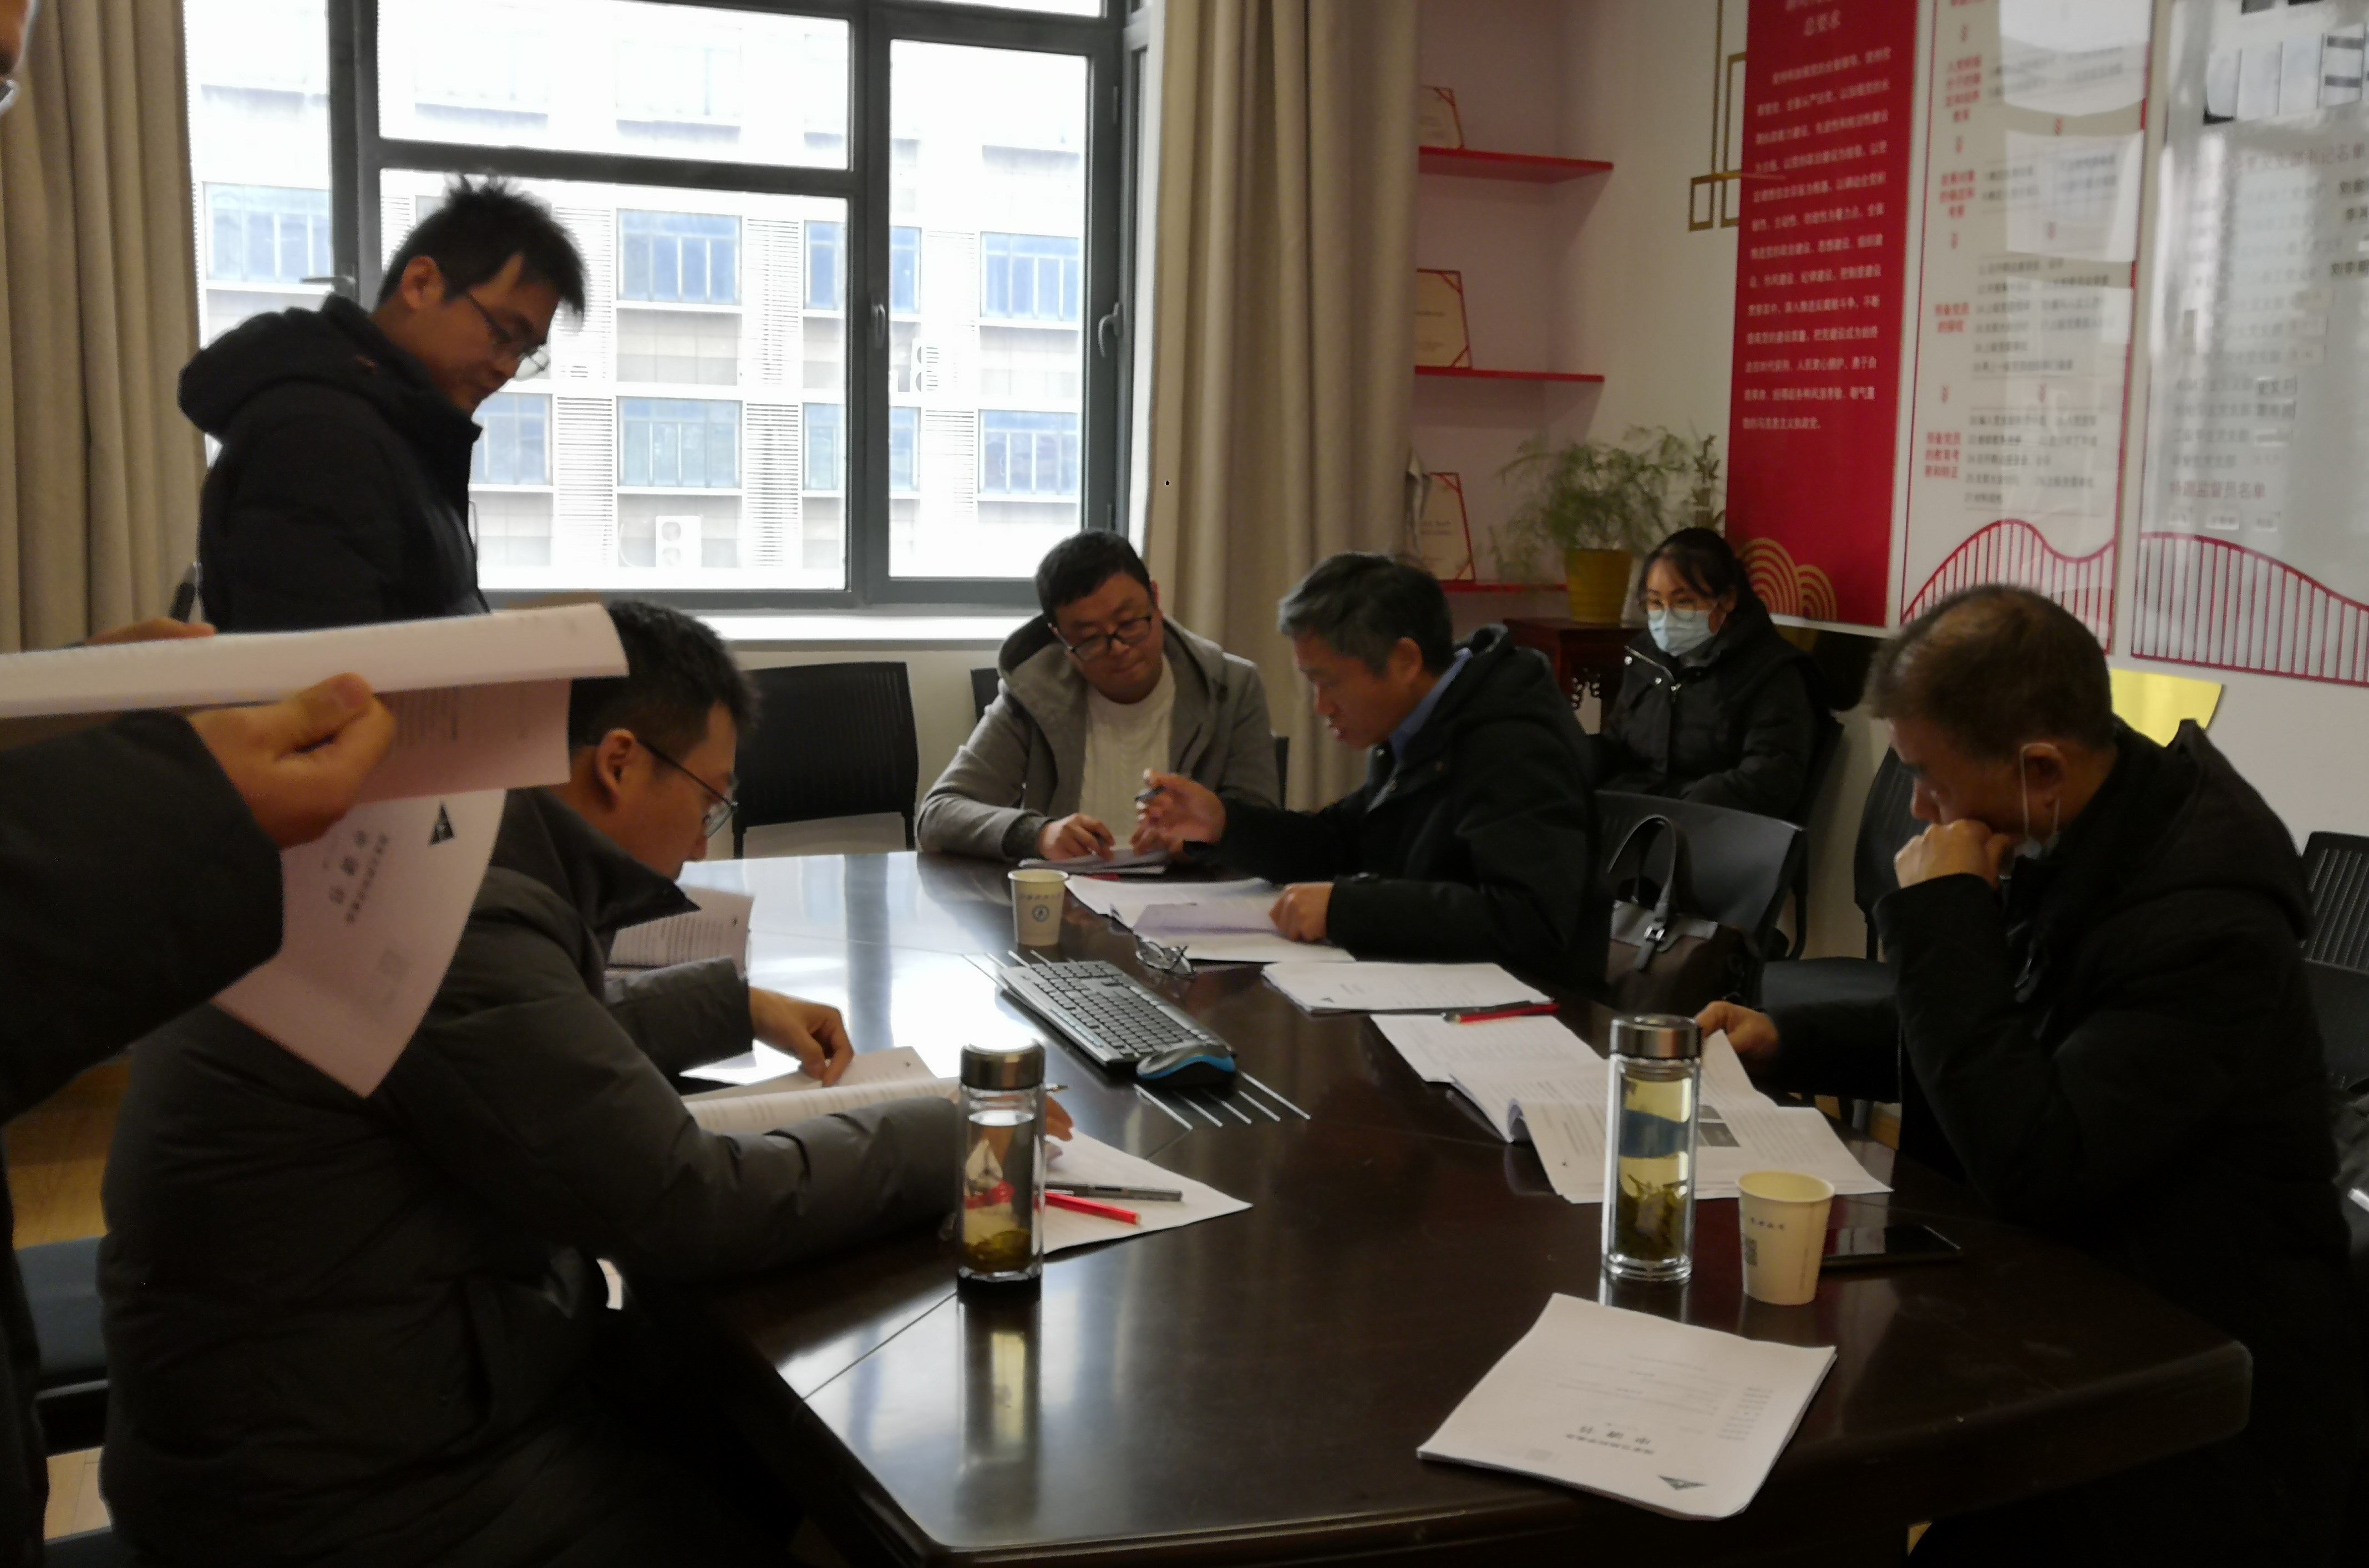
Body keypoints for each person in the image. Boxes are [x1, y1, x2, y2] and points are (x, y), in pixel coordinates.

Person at [100, 602, 1052, 1567]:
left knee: (732, 1424)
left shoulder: (422, 838)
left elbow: (513, 1052)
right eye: (709, 801)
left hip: (330, 1402)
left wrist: (730, 1005)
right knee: (794, 1479)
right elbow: (690, 1203)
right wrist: (956, 1134)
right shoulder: (445, 908)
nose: (702, 842)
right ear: (620, 762)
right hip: (352, 1493)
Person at [1700, 586, 2361, 1564]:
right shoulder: (2082, 831)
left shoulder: (2204, 923)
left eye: (1928, 778)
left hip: (2195, 1399)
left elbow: (2035, 1153)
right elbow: (2000, 1028)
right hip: (2068, 1323)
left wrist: (1945, 913)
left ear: (2040, 767)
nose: (1915, 809)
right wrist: (1788, 1040)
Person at [1138, 553, 1606, 991]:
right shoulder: (1422, 723)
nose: (1321, 707)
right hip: (1428, 988)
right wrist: (1223, 823)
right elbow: (1340, 843)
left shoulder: (1511, 741)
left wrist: (1347, 908)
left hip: (1521, 1015)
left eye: (1329, 682)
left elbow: (1531, 922)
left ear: (1405, 661)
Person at [186, 176, 587, 632]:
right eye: (505, 334)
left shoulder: (400, 431)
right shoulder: (321, 439)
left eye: (526, 352)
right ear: (421, 284)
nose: (507, 369)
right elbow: (324, 670)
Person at [919, 531, 1280, 861]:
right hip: (1068, 899)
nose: (1118, 648)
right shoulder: (1033, 693)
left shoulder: (1230, 686)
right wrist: (1038, 834)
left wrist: (1201, 839)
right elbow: (937, 813)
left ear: (1155, 600)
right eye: (1090, 638)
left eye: (1129, 623)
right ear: (1061, 638)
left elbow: (1264, 826)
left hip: (1193, 899)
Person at [1585, 527, 1831, 820]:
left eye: (1684, 602)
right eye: (1655, 602)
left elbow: (1772, 777)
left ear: (1727, 600)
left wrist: (1681, 809)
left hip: (1709, 828)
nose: (1666, 616)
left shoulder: (1772, 673)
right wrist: (1574, 757)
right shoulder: (1646, 659)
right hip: (1629, 818)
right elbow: (1618, 743)